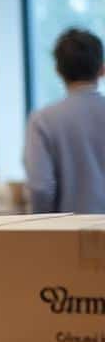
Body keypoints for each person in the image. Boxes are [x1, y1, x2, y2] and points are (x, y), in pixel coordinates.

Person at [25, 27, 105, 213]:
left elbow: (40, 188)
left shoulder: (43, 120)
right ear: (102, 69)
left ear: (58, 70)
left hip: (68, 236)